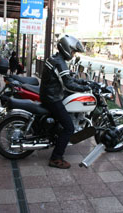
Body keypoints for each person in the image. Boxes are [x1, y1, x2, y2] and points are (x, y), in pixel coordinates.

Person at [39, 35, 91, 169]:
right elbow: (68, 84)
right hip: (52, 98)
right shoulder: (60, 62)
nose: (73, 55)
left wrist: (82, 81)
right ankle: (56, 158)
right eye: (73, 51)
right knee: (69, 128)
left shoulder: (56, 59)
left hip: (49, 94)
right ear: (67, 49)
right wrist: (85, 88)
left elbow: (66, 78)